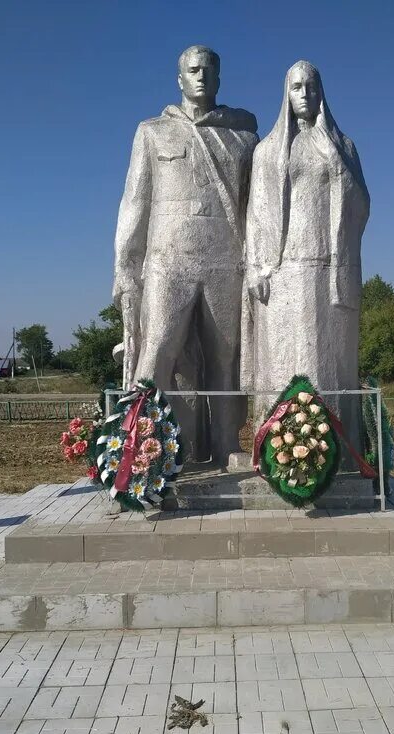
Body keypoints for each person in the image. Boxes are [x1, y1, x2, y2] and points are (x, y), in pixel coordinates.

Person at [113, 45, 258, 464]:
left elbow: (258, 203)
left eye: (208, 71)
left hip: (226, 260)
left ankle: (227, 447)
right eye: (192, 71)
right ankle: (139, 454)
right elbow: (133, 204)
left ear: (218, 79)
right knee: (156, 351)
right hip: (167, 260)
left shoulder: (243, 134)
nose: (200, 77)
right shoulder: (153, 130)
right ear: (179, 79)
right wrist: (124, 267)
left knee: (225, 357)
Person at [244, 61, 369, 445]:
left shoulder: (343, 145)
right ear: (286, 93)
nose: (304, 95)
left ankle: (337, 449)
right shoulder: (267, 151)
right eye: (296, 87)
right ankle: (277, 449)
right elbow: (256, 213)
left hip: (328, 268)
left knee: (329, 363)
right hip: (280, 272)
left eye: (311, 87)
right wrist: (256, 268)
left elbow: (362, 206)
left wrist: (337, 165)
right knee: (283, 362)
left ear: (321, 93)